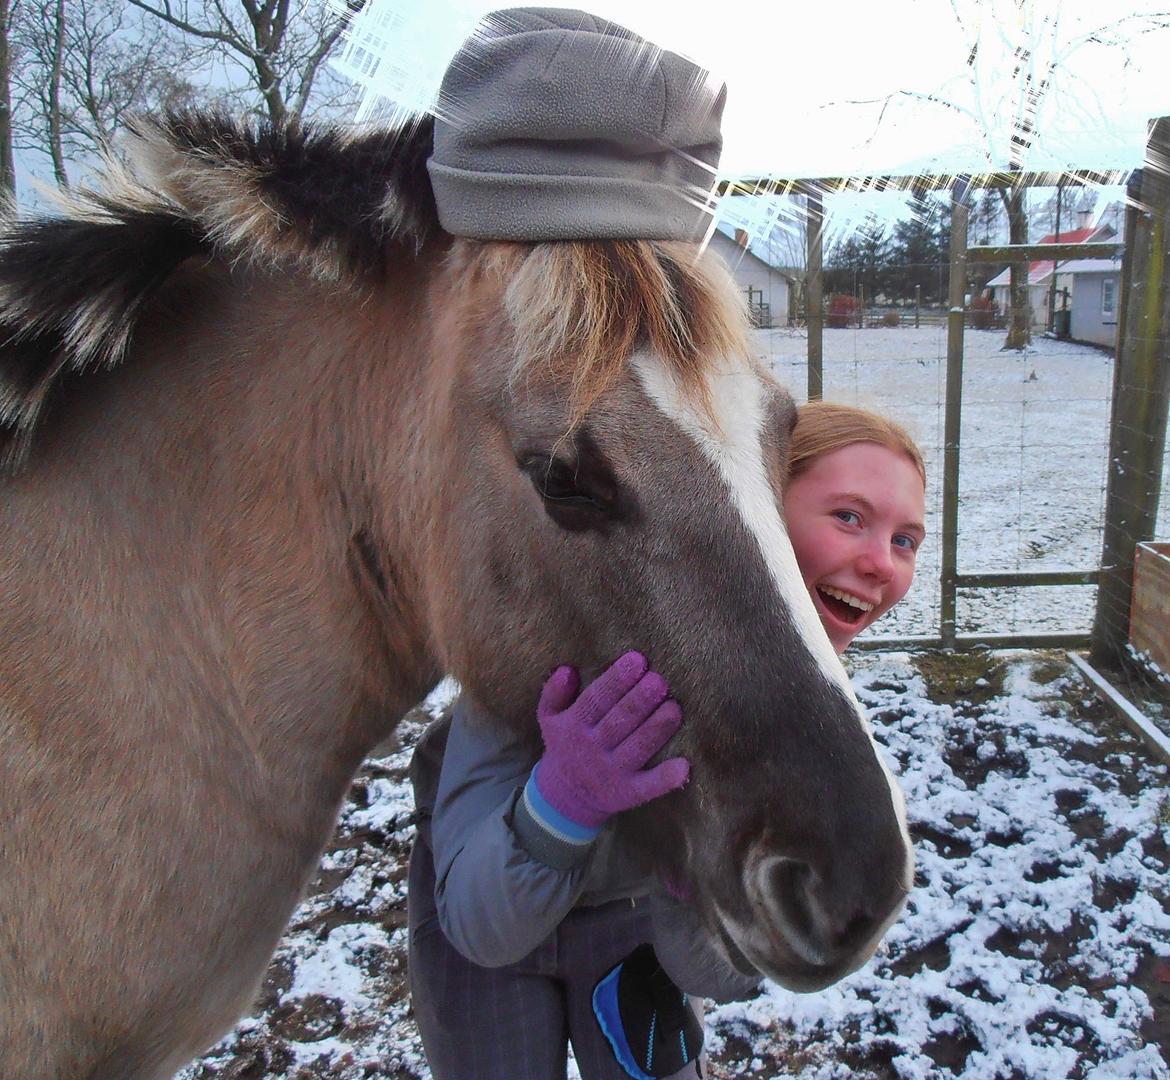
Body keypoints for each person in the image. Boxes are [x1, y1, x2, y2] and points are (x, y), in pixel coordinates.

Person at [407, 401, 928, 1080]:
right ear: (753, 503)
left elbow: (711, 973)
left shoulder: (797, 727)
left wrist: (706, 891)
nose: (881, 564)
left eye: (907, 540)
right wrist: (562, 800)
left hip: (628, 943)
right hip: (487, 939)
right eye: (849, 517)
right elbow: (480, 929)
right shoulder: (547, 649)